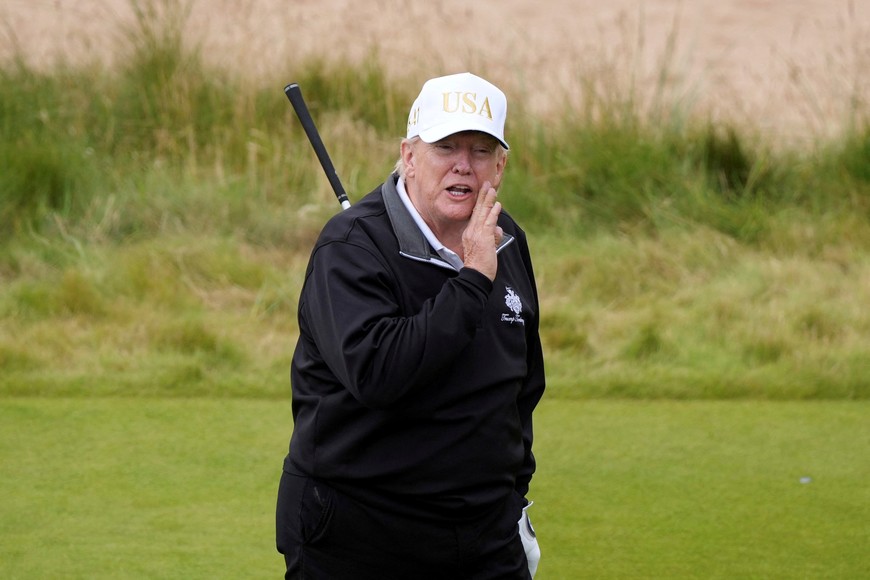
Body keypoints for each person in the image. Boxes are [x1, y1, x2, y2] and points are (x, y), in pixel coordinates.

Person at [276, 72, 545, 579]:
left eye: (482, 150)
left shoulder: (507, 241)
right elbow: (379, 373)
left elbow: (521, 387)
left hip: (484, 538)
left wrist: (515, 501)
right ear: (409, 155)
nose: (464, 164)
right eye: (446, 146)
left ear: (500, 166)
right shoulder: (350, 249)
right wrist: (470, 281)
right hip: (358, 540)